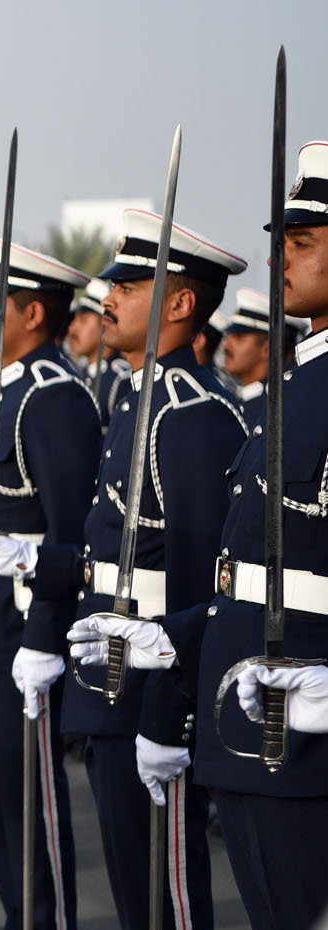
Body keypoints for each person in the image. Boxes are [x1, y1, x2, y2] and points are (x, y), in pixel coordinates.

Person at [96, 140, 328, 930]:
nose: (280, 259)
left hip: (301, 730)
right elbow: (237, 575)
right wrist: (174, 642)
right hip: (249, 716)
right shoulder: (295, 385)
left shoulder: (216, 407)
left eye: (302, 242)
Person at [51, 209, 248, 930]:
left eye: (128, 287)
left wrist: (171, 718)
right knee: (134, 886)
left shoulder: (191, 416)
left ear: (180, 302)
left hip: (150, 691)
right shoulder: (140, 399)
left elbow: (199, 590)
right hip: (112, 677)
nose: (108, 299)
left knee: (166, 889)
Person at [0, 238, 99, 929]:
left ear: (33, 313)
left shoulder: (55, 398)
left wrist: (43, 639)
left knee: (29, 798)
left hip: (18, 630)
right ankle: (16, 915)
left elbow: (69, 535)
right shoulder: (5, 389)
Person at [219, 286, 305, 426]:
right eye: (229, 336)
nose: (225, 345)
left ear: (267, 348)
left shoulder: (279, 408)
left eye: (239, 337)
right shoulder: (240, 400)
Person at [64, 279, 131, 427]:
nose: (72, 329)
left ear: (105, 322)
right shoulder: (81, 374)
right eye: (74, 320)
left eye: (83, 320)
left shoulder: (121, 382)